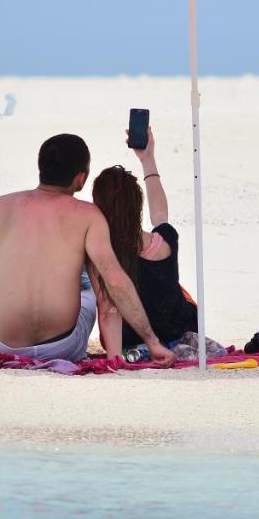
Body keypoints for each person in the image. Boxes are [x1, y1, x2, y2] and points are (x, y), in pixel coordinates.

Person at [0, 133, 175, 366]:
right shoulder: (88, 215)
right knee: (88, 285)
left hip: (3, 343)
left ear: (41, 168)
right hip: (63, 346)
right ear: (81, 178)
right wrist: (152, 341)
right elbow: (115, 282)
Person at [89, 124, 198, 359]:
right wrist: (148, 159)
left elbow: (109, 310)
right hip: (179, 329)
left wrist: (115, 360)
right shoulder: (164, 240)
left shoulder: (101, 253)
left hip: (128, 339)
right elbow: (160, 215)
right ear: (138, 206)